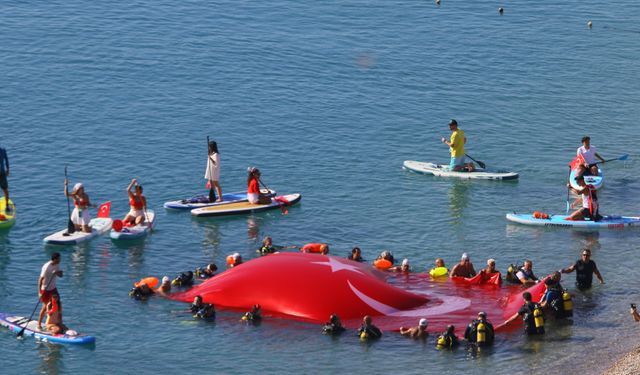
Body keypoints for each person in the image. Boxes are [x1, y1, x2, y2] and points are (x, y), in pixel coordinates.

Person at [38, 252, 63, 329]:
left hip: (53, 288)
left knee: (58, 304)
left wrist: (57, 272)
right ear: (55, 259)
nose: (60, 260)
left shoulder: (57, 265)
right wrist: (39, 292)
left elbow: (61, 275)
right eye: (59, 259)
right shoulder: (46, 267)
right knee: (45, 306)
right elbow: (40, 279)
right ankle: (39, 324)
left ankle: (59, 322)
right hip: (45, 289)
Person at [0, 146, 10, 213]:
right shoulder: (3, 150)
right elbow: (6, 160)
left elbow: (6, 160)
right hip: (2, 173)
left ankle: (7, 206)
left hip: (2, 173)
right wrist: (8, 169)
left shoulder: (3, 150)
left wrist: (8, 170)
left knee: (5, 190)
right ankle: (7, 206)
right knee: (5, 190)